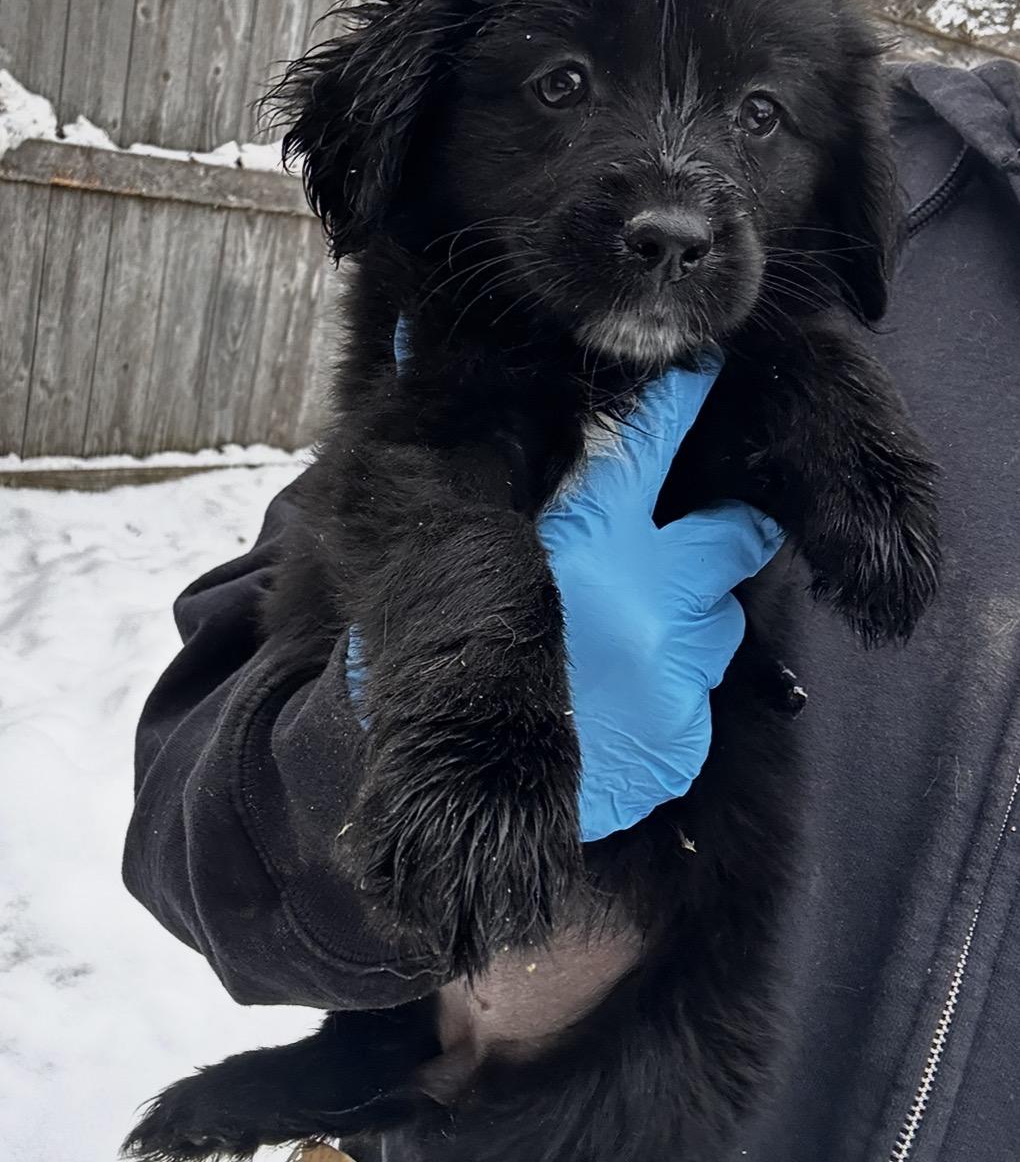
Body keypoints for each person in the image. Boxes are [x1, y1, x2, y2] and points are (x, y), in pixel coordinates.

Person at [123, 57, 1020, 1162]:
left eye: (755, 116)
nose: (678, 198)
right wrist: (361, 765)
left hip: (674, 1042)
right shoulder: (875, 169)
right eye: (559, 82)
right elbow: (199, 790)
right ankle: (382, 1054)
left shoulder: (821, 182)